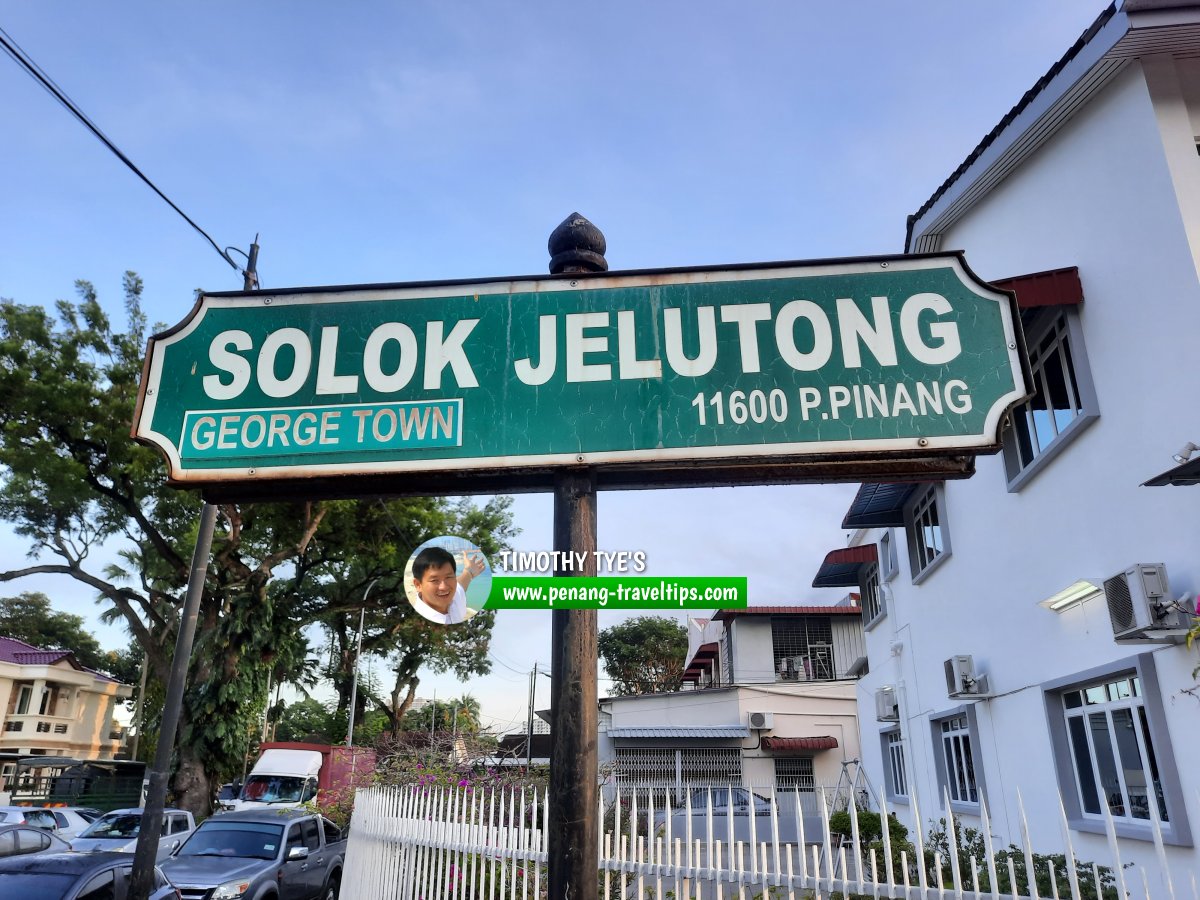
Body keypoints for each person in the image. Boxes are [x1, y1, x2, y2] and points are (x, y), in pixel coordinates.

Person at [409, 545, 485, 625]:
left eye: (448, 577)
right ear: (418, 585)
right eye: (434, 580)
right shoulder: (420, 622)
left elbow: (461, 583)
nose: (444, 587)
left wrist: (469, 571)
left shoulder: (455, 596)